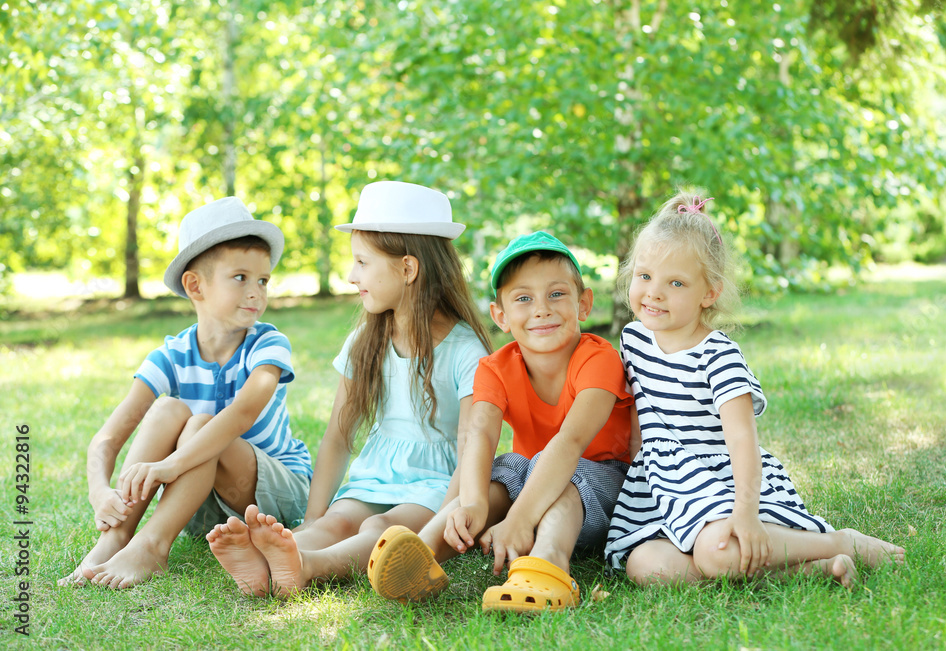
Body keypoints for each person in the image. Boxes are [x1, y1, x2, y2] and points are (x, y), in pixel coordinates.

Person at [603, 191, 905, 588]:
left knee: (717, 551)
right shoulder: (634, 340)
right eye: (644, 276)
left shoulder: (718, 354)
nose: (654, 292)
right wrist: (633, 466)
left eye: (675, 282)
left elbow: (742, 439)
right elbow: (639, 416)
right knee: (646, 566)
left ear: (709, 292)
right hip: (663, 490)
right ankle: (808, 571)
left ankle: (838, 541)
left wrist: (744, 513)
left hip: (721, 482)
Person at [206, 181, 493, 597]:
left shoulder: (466, 350)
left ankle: (306, 566)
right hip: (376, 474)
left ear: (408, 269)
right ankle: (272, 560)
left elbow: (470, 446)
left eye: (362, 262)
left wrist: (441, 525)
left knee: (381, 527)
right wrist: (312, 518)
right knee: (336, 522)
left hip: (437, 483)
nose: (351, 275)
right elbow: (338, 437)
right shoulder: (365, 341)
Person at [366, 231, 634, 613]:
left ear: (584, 303)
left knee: (562, 472)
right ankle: (423, 553)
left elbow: (571, 442)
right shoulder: (495, 368)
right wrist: (473, 503)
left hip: (606, 487)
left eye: (557, 294)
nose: (541, 309)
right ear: (501, 316)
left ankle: (549, 564)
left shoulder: (599, 358)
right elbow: (479, 434)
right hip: (534, 483)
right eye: (524, 298)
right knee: (503, 468)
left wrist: (520, 519)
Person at [58, 197, 312, 589]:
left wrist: (171, 465)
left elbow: (242, 415)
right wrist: (99, 491)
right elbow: (107, 438)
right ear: (195, 285)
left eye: (263, 280)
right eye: (240, 277)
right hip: (201, 502)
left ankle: (153, 546)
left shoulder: (268, 344)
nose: (256, 292)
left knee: (202, 424)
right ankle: (116, 537)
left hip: (274, 495)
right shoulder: (172, 355)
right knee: (166, 410)